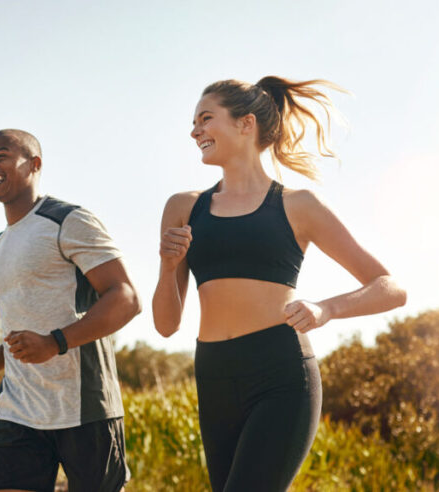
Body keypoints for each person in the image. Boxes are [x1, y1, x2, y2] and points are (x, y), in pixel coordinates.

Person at [152, 76, 407, 491]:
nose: (194, 130)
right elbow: (165, 325)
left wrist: (327, 309)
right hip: (213, 375)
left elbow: (391, 287)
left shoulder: (298, 205)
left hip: (280, 373)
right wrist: (167, 266)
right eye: (193, 121)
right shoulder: (183, 208)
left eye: (205, 118)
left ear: (245, 123)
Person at [0, 129, 141, 492]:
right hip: (19, 409)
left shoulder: (69, 220)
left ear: (35, 164)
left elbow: (125, 298)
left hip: (83, 407)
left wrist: (56, 341)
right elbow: (22, 329)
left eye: (0, 156)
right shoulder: (1, 243)